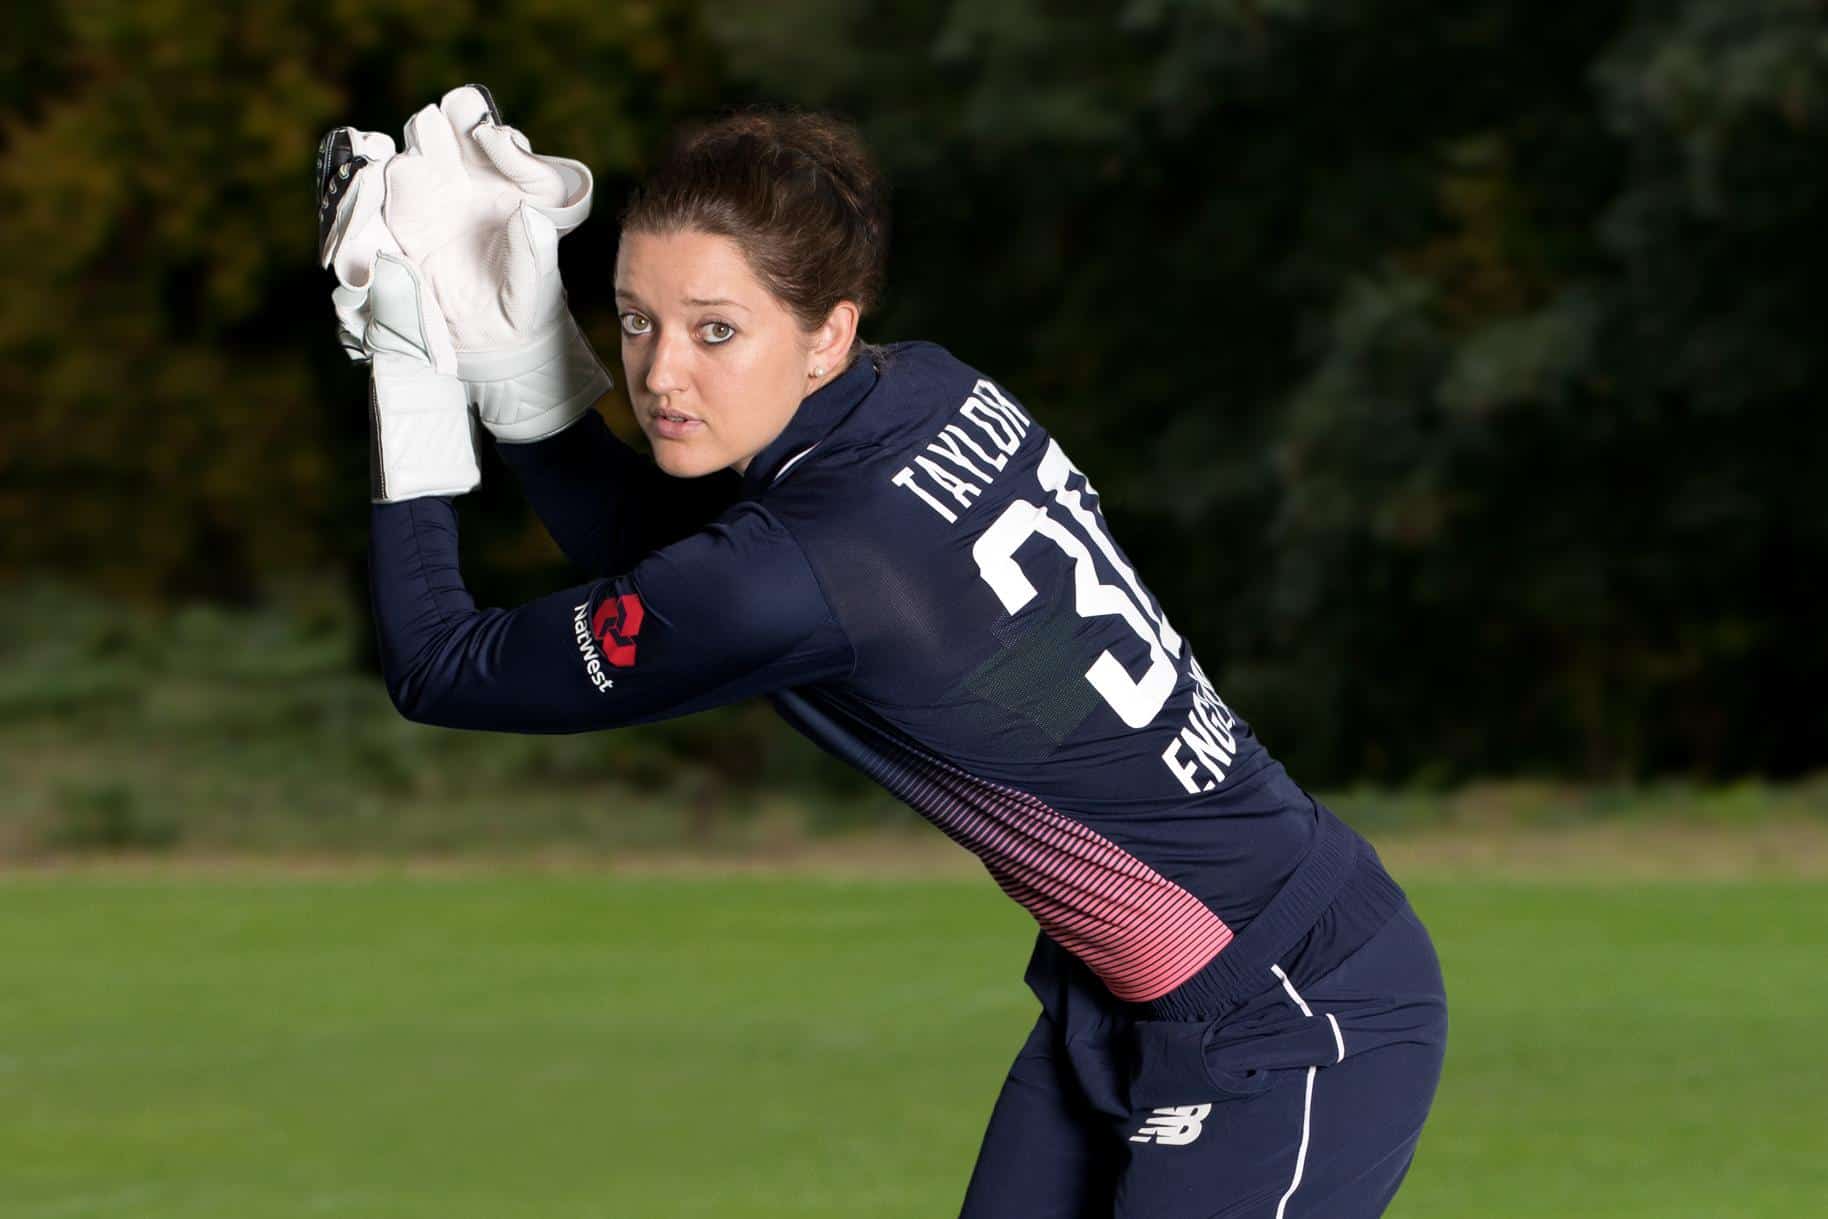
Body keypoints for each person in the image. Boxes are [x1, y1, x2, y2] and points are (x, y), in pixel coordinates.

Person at [319, 85, 1448, 1219]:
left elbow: (443, 662)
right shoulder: (925, 389)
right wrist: (521, 366)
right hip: (1128, 994)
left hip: (1298, 1011)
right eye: (631, 318)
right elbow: (692, 574)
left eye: (717, 330)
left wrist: (411, 371)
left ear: (829, 330)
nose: (661, 374)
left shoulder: (801, 571)